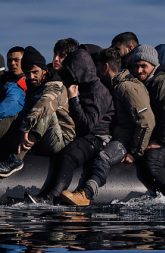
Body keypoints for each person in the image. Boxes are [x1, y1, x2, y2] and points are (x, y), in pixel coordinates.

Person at [60, 48, 155, 206]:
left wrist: (135, 152)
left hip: (127, 140)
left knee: (104, 157)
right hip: (117, 134)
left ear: (104, 67)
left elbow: (147, 121)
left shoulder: (127, 88)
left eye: (96, 67)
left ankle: (86, 194)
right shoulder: (115, 85)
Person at [26, 48, 115, 204]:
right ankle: (44, 193)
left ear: (80, 70)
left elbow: (87, 125)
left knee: (69, 155)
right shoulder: (83, 86)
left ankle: (51, 196)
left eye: (71, 71)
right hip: (82, 134)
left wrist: (74, 100)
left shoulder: (97, 91)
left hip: (97, 137)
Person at [0, 46, 76, 178]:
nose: (31, 76)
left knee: (45, 112)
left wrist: (25, 127)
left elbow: (44, 104)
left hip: (60, 140)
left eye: (35, 72)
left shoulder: (55, 85)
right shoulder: (29, 84)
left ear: (44, 71)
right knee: (19, 112)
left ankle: (17, 160)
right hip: (37, 138)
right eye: (28, 73)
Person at [129, 44, 165, 196]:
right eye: (137, 66)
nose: (139, 70)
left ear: (154, 65)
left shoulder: (163, 82)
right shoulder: (144, 82)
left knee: (152, 164)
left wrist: (160, 141)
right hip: (154, 134)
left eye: (144, 66)